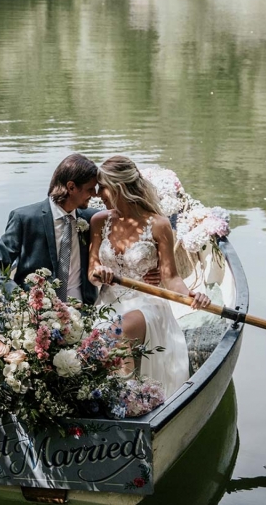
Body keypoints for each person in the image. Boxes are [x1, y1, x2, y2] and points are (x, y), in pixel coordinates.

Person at [89, 155, 210, 396]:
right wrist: (99, 272)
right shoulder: (98, 221)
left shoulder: (159, 224)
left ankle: (127, 398)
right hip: (107, 304)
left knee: (118, 330)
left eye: (102, 187)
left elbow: (171, 278)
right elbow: (92, 271)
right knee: (100, 336)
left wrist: (191, 294)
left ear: (118, 187)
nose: (97, 194)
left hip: (147, 302)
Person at [0, 154, 160, 304]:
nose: (95, 194)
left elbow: (131, 232)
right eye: (90, 189)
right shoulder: (25, 219)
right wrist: (17, 297)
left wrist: (151, 268)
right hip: (36, 315)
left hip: (84, 314)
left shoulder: (94, 219)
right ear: (71, 187)